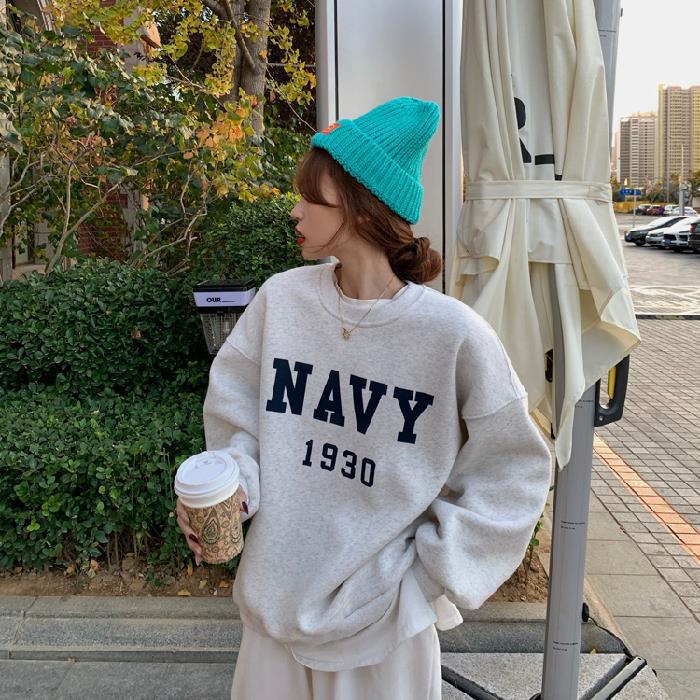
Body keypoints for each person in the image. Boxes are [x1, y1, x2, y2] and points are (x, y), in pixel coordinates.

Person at [175, 96, 552, 699]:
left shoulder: (451, 334)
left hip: (385, 630)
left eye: (311, 197)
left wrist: (427, 577)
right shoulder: (281, 301)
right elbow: (237, 420)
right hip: (273, 613)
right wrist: (232, 487)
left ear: (359, 204)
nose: (295, 210)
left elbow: (515, 471)